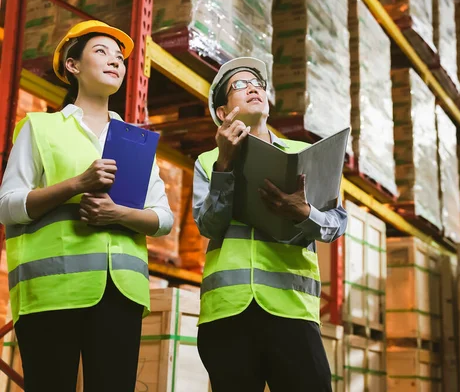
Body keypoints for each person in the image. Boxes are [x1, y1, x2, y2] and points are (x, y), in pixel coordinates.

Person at [0, 20, 173, 392]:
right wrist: (77, 184)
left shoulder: (137, 142)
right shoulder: (40, 128)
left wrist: (118, 214)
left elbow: (163, 218)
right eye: (101, 51)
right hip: (51, 292)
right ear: (72, 66)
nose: (115, 61)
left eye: (119, 57)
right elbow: (7, 206)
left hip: (121, 293)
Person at [193, 57, 348, 392]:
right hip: (227, 312)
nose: (253, 88)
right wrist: (224, 166)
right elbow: (209, 225)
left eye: (258, 84)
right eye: (239, 85)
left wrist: (304, 211)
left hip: (291, 310)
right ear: (222, 112)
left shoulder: (304, 153)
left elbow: (337, 224)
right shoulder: (208, 161)